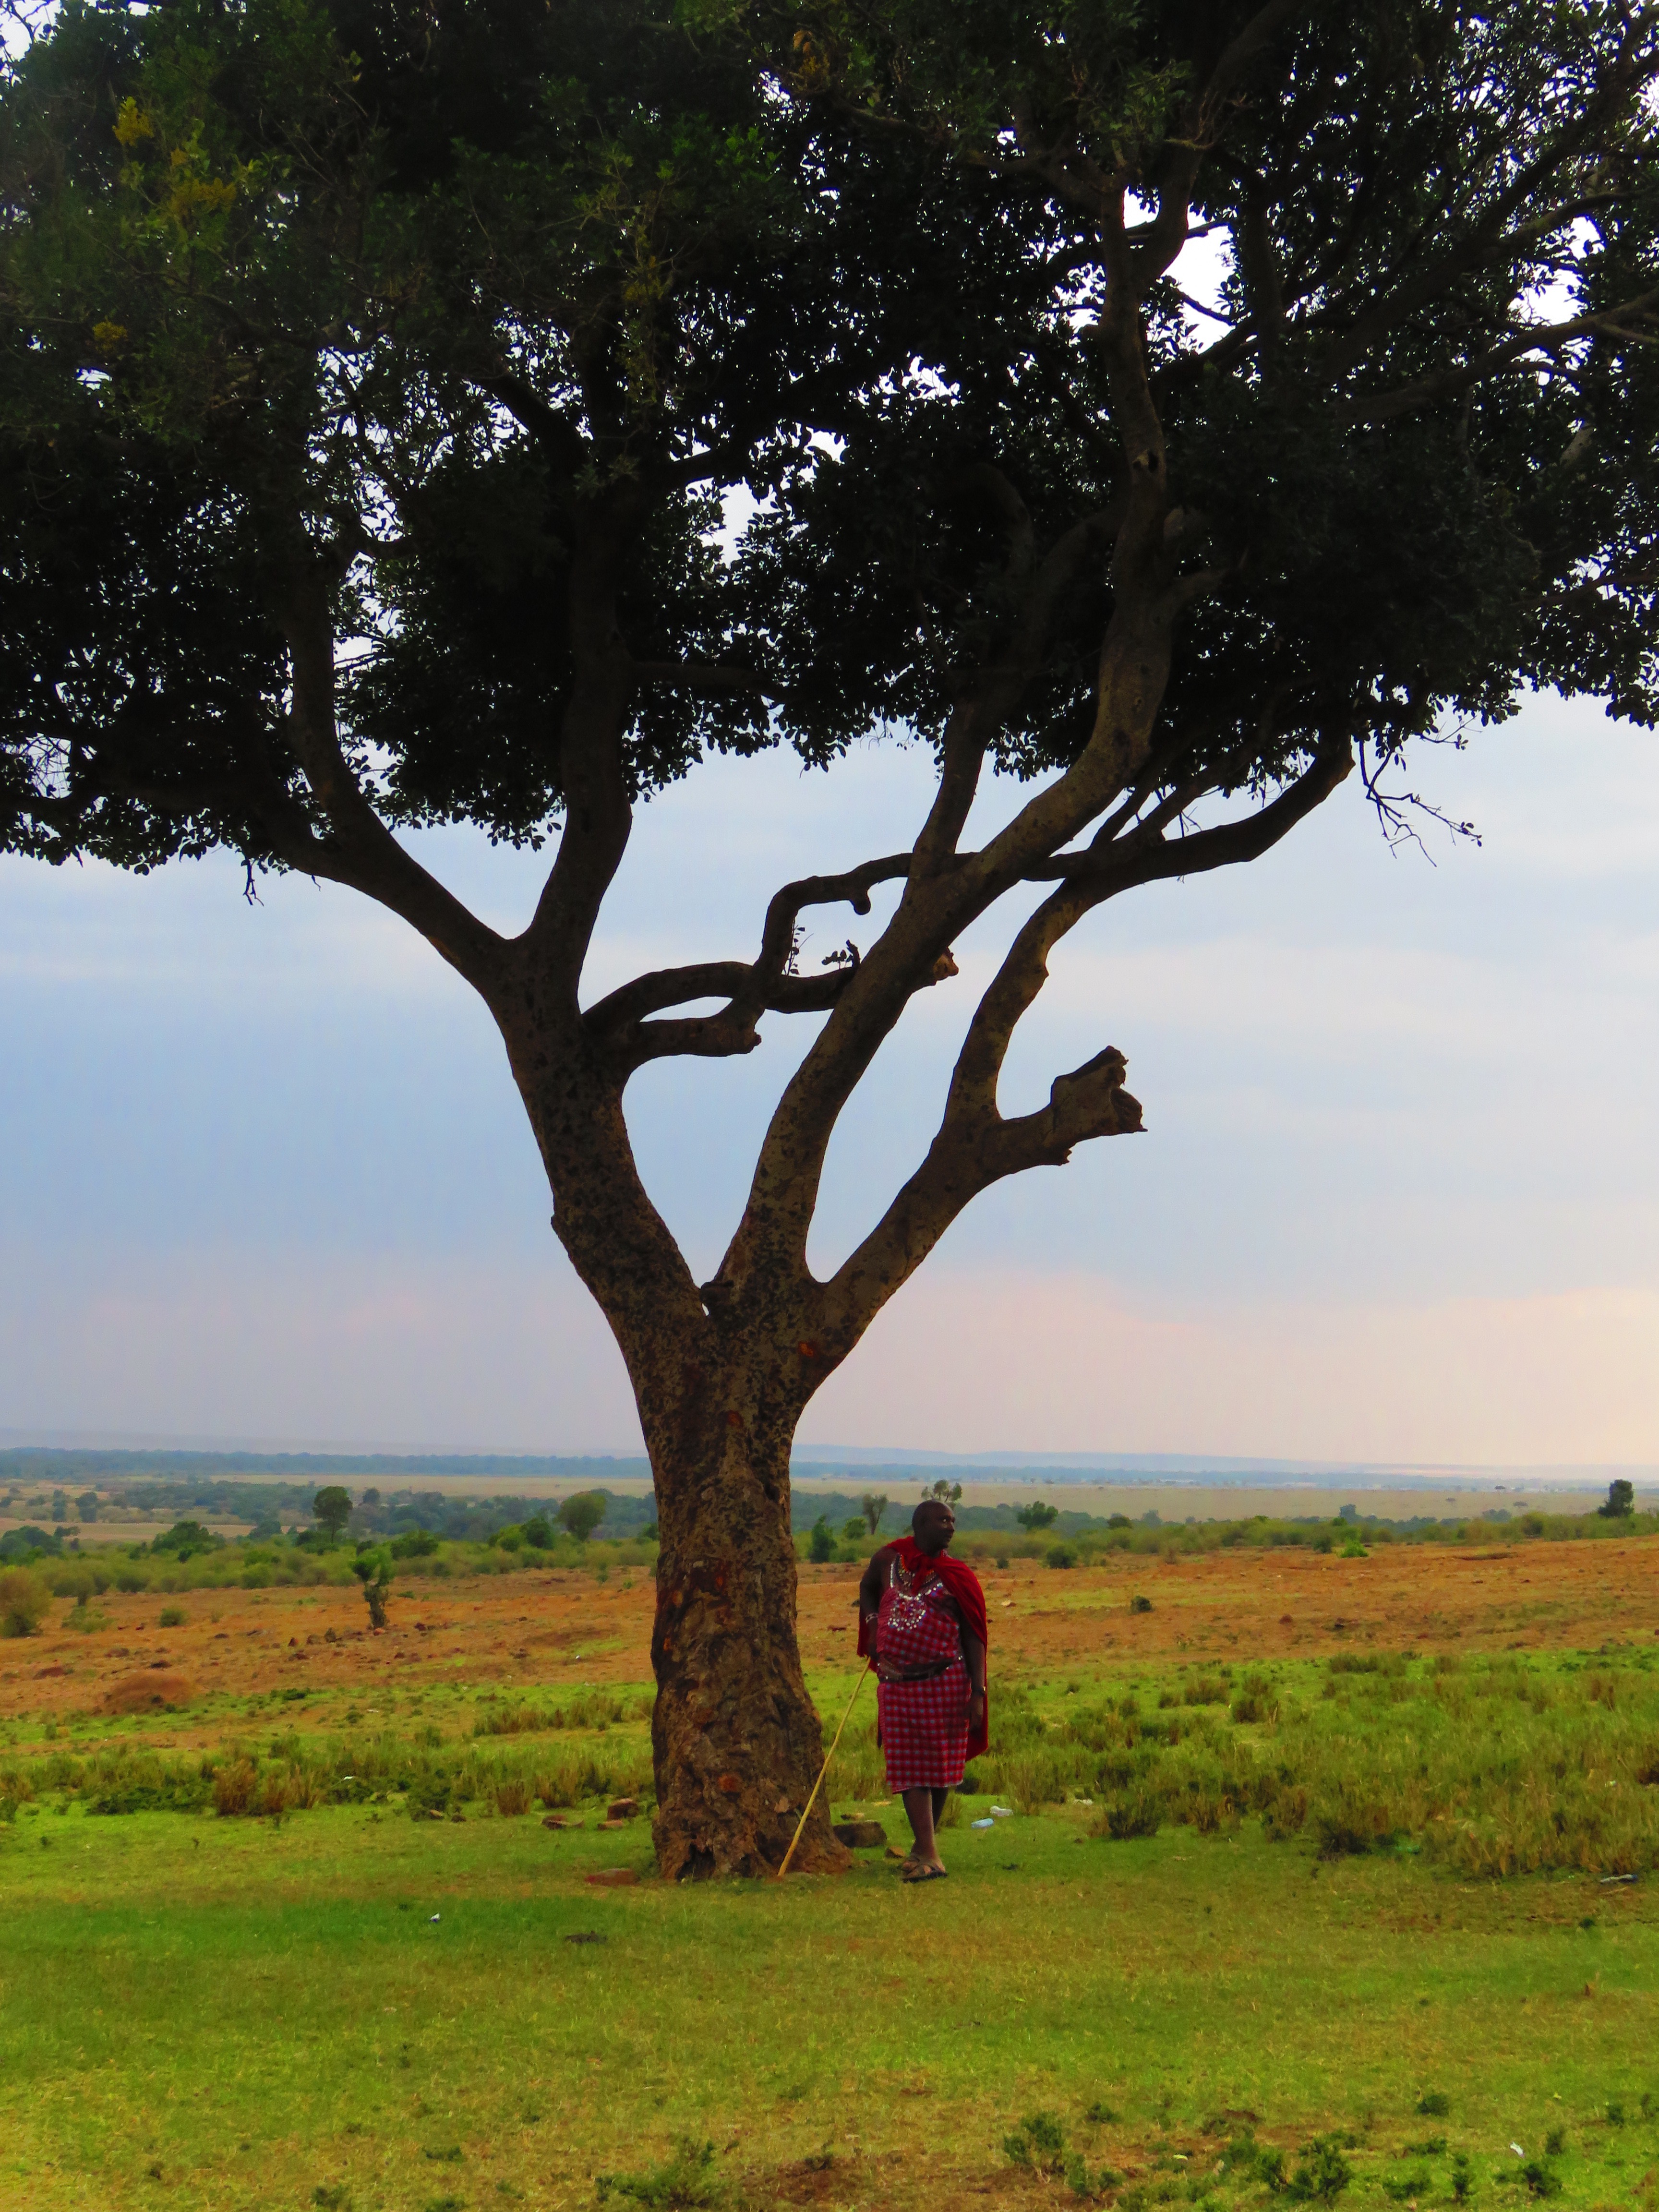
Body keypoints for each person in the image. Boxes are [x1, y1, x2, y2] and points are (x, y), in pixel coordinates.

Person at [856, 1497, 988, 1882]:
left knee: (940, 1768)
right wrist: (872, 1626)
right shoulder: (887, 1561)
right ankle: (928, 1852)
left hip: (946, 1681)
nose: (951, 1527)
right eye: (943, 1520)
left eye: (953, 1521)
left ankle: (924, 1849)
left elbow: (975, 1635)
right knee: (909, 1768)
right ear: (920, 1525)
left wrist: (978, 1692)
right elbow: (866, 1588)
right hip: (896, 1683)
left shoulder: (958, 1576)